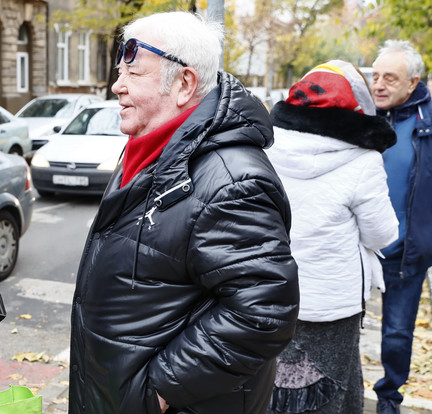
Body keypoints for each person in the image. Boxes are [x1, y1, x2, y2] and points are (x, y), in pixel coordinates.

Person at [69, 11, 300, 414]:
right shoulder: (149, 150)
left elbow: (263, 311)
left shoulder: (231, 181)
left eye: (132, 73)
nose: (116, 86)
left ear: (184, 83)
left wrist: (157, 390)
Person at [264, 60, 398, 414]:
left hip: (271, 294)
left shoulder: (268, 148)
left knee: (277, 388)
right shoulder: (363, 160)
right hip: (331, 304)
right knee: (328, 390)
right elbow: (383, 233)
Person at [371, 40, 432, 414]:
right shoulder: (361, 117)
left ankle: (388, 400)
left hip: (406, 253)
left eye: (389, 78)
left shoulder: (428, 123)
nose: (379, 85)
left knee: (396, 333)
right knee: (341, 326)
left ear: (413, 82)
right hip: (359, 251)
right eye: (375, 76)